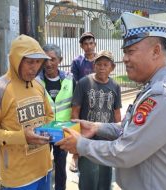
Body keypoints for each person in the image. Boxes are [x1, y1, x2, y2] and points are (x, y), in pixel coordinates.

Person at [56, 12, 166, 190]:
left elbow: (125, 151)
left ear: (156, 51)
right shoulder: (153, 88)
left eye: (130, 51)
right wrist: (97, 127)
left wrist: (81, 145)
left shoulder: (163, 96)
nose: (125, 58)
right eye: (124, 52)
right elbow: (130, 128)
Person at [0, 34, 54, 190]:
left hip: (44, 168)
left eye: (38, 62)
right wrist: (22, 137)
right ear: (16, 60)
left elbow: (49, 115)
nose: (34, 67)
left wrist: (51, 131)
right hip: (18, 177)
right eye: (29, 62)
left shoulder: (38, 84)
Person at [71, 50, 122, 190]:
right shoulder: (84, 83)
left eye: (106, 65)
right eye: (99, 64)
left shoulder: (115, 86)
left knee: (105, 179)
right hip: (87, 141)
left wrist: (119, 138)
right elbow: (75, 112)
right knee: (88, 179)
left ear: (112, 67)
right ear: (94, 66)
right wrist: (75, 139)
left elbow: (117, 114)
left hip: (106, 142)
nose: (102, 68)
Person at [36, 44, 76, 190]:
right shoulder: (36, 82)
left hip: (62, 132)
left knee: (60, 167)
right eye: (45, 59)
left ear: (60, 60)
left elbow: (76, 106)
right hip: (42, 132)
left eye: (52, 59)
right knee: (41, 166)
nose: (48, 63)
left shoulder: (70, 80)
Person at [70, 31, 97, 172]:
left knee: (96, 126)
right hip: (81, 100)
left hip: (98, 100)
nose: (89, 46)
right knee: (78, 127)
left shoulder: (100, 59)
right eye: (85, 44)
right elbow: (74, 82)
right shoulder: (77, 62)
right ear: (81, 46)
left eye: (91, 43)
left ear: (95, 44)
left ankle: (94, 154)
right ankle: (75, 157)